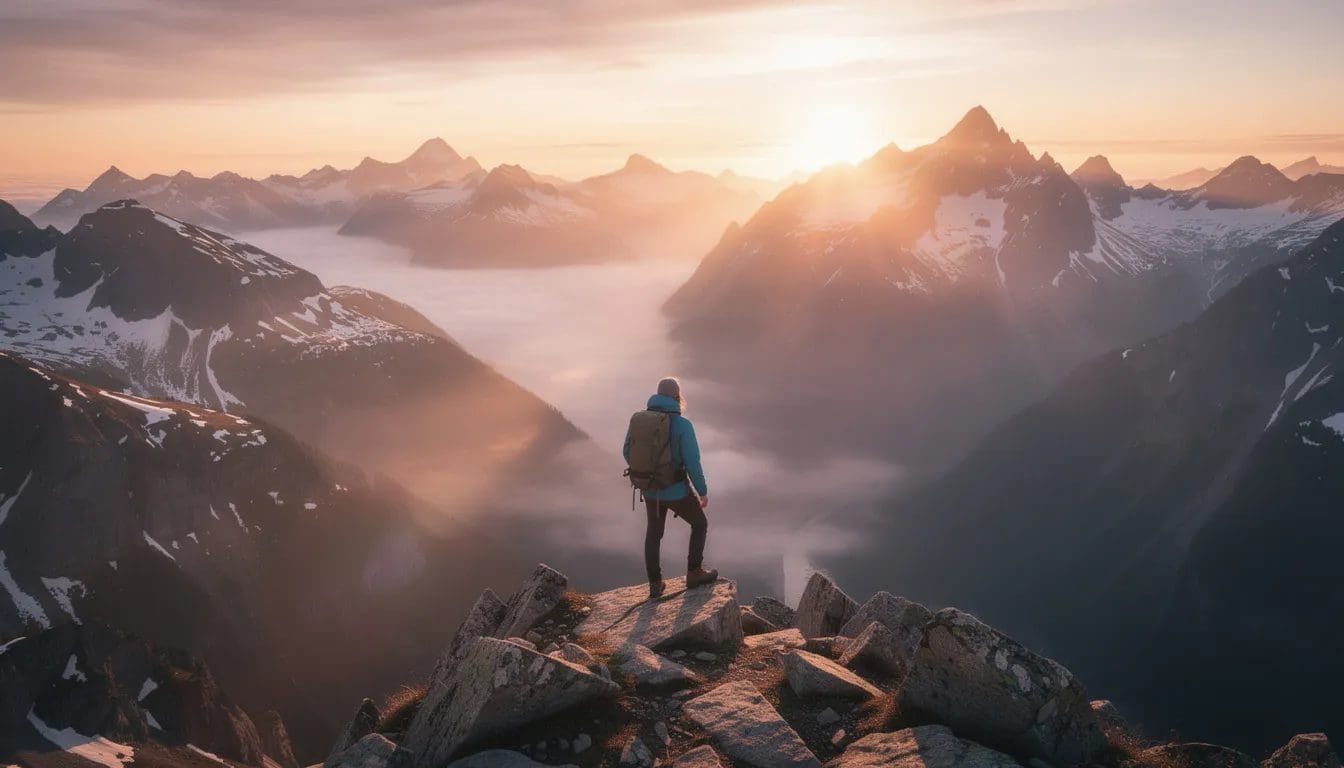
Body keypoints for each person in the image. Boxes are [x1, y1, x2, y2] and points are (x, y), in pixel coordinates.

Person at [623, 377, 718, 598]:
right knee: (699, 523)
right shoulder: (683, 425)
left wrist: (649, 472)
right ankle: (694, 572)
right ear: (677, 397)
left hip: (649, 489)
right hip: (676, 490)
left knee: (654, 533)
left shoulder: (639, 420)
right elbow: (693, 461)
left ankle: (655, 585)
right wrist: (702, 491)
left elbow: (627, 451)